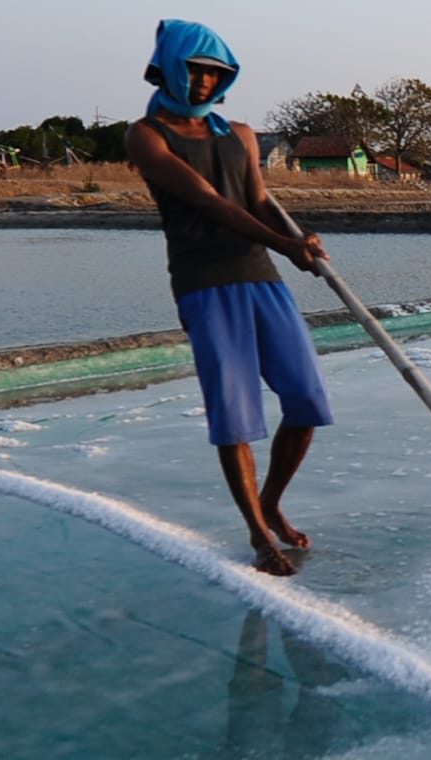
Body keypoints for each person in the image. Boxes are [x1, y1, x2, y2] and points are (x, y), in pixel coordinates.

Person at [126, 20, 333, 577]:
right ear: (171, 65)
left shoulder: (240, 133)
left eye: (215, 73)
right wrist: (286, 246)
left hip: (261, 275)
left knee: (306, 399)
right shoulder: (146, 135)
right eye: (195, 69)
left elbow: (258, 201)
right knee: (235, 414)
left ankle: (270, 501)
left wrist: (299, 240)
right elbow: (208, 200)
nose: (203, 82)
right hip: (204, 283)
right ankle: (258, 532)